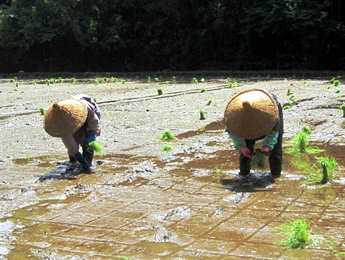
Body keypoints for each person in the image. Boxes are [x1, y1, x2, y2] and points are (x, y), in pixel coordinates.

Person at [224, 88, 283, 178]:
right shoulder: (233, 117)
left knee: (276, 148)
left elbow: (274, 132)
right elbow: (232, 132)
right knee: (246, 148)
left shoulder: (271, 115)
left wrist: (267, 146)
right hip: (244, 117)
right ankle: (244, 175)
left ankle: (275, 175)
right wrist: (242, 147)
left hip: (270, 104)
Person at [43, 94, 101, 173]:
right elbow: (69, 143)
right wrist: (79, 158)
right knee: (73, 149)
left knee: (88, 145)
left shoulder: (85, 107)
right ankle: (73, 161)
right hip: (69, 125)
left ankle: (88, 163)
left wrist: (91, 135)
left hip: (87, 118)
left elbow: (94, 123)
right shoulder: (62, 124)